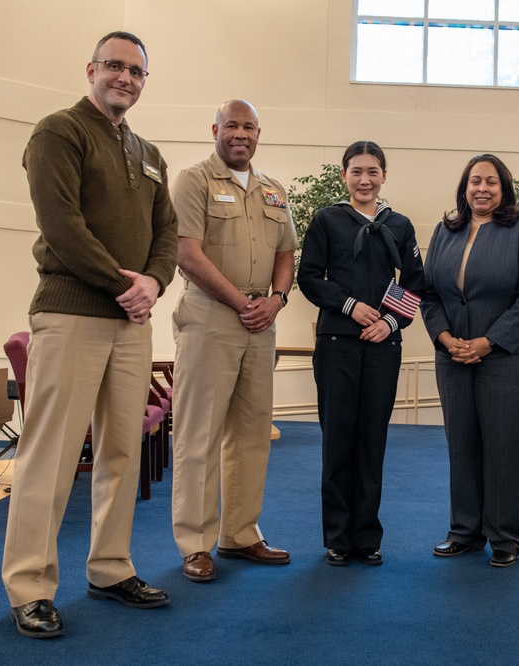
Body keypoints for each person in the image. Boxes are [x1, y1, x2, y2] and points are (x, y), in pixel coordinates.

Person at [1, 31, 178, 638]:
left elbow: (166, 235)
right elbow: (62, 225)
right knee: (49, 455)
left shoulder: (150, 152)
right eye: (114, 66)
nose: (125, 78)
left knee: (122, 451)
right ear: (92, 69)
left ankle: (109, 566)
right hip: (71, 312)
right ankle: (30, 585)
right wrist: (123, 284)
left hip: (131, 323)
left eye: (136, 71)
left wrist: (153, 284)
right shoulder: (59, 131)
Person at [171, 100, 298, 582]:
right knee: (198, 434)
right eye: (231, 125)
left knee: (251, 433)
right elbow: (187, 253)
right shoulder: (194, 181)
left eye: (248, 126)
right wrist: (240, 301)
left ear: (259, 133)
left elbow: (286, 251)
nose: (239, 133)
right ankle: (195, 543)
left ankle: (240, 534)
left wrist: (277, 299)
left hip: (261, 322)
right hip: (210, 318)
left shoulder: (273, 190)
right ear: (215, 130)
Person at [297, 141, 426, 566]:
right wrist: (350, 306)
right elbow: (309, 278)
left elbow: (415, 282)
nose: (365, 179)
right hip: (337, 344)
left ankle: (367, 537)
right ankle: (337, 536)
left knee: (372, 440)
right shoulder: (326, 220)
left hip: (383, 346)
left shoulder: (400, 224)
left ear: (384, 175)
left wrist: (391, 322)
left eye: (372, 171)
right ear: (344, 176)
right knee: (338, 440)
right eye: (356, 171)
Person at [421, 154, 519, 568]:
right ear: (464, 188)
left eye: (491, 182)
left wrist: (488, 342)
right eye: (474, 181)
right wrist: (445, 338)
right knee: (462, 444)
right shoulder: (446, 230)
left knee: (504, 446)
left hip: (508, 356)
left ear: (504, 188)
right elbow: (429, 293)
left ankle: (504, 537)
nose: (482, 188)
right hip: (453, 354)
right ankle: (464, 532)